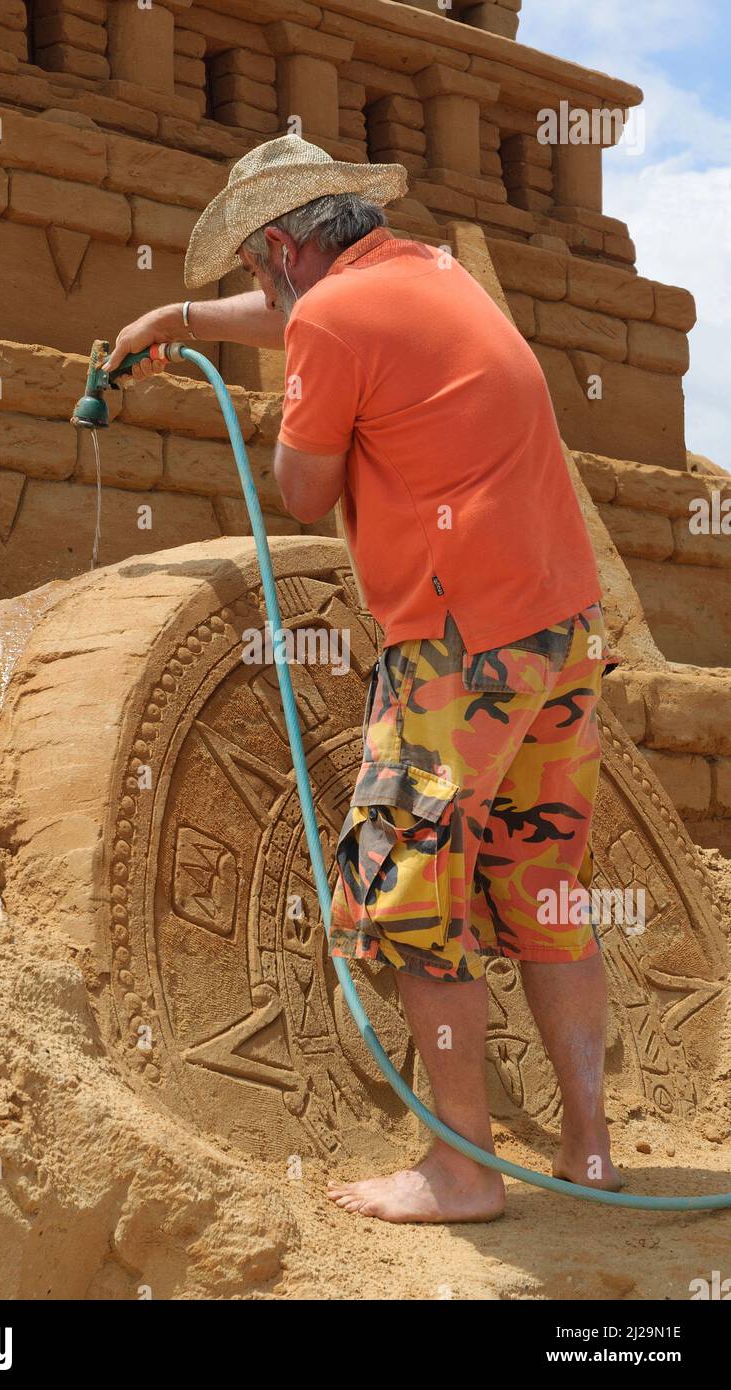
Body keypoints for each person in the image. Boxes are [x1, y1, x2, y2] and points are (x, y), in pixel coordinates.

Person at [106, 135, 621, 1224]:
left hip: (459, 640)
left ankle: (463, 1171)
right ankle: (590, 1151)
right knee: (546, 887)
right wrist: (176, 323)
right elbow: (317, 327)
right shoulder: (428, 275)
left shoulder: (333, 321)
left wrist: (295, 409)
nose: (259, 288)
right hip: (560, 630)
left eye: (254, 268)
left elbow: (301, 487)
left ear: (284, 247)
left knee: (406, 901)